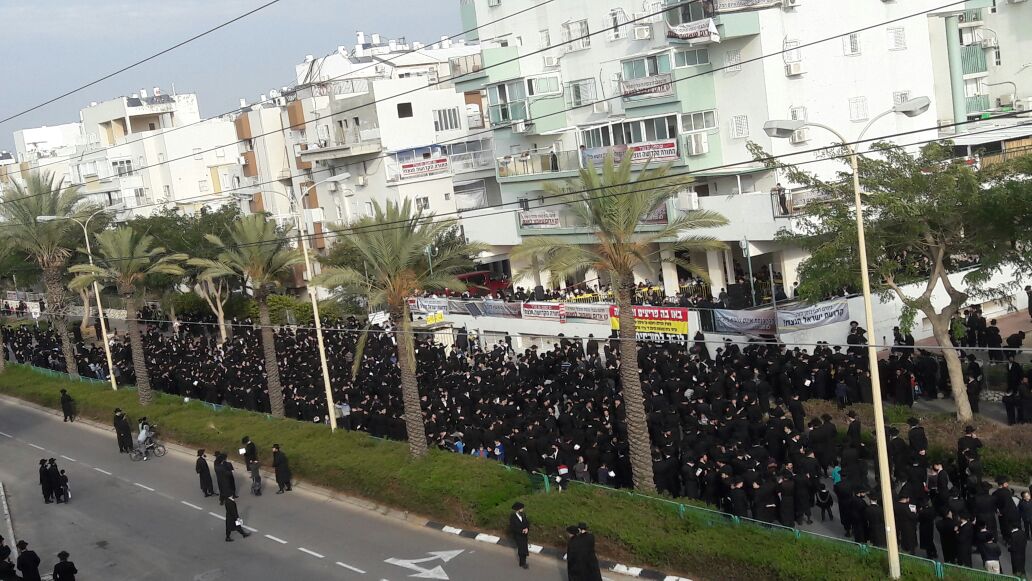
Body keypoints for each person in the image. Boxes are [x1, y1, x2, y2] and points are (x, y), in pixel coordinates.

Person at [509, 501, 530, 570]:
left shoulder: (523, 515)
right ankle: (522, 563)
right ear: (518, 509)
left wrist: (527, 528)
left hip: (524, 535)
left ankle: (524, 561)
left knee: (525, 548)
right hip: (518, 535)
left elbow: (527, 523)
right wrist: (521, 531)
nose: (522, 509)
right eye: (521, 508)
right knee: (521, 549)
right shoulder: (513, 517)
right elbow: (513, 528)